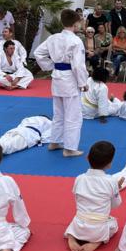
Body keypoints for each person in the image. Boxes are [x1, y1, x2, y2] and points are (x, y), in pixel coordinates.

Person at [34, 9, 89, 158]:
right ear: (75, 23)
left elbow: (38, 53)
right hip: (70, 79)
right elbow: (78, 65)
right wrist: (83, 82)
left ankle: (55, 142)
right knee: (73, 115)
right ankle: (70, 148)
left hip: (57, 77)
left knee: (59, 113)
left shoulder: (54, 38)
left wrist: (50, 66)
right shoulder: (76, 41)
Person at [65, 141, 123, 251]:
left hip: (79, 225)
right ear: (110, 164)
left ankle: (72, 237)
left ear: (87, 157)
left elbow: (78, 200)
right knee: (114, 224)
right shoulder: (111, 182)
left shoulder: (79, 178)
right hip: (97, 229)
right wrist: (116, 189)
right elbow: (116, 205)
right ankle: (97, 241)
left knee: (78, 217)